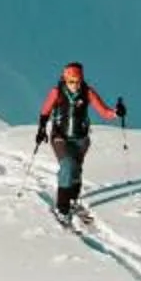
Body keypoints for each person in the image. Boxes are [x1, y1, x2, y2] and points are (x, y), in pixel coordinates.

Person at [32, 61, 124, 223]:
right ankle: (62, 208)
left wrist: (117, 112)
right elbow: (45, 111)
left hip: (81, 139)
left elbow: (104, 112)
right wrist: (41, 129)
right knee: (67, 166)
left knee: (76, 170)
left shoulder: (88, 92)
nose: (75, 85)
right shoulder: (56, 92)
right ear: (65, 79)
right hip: (60, 137)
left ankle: (73, 199)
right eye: (71, 81)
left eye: (77, 81)